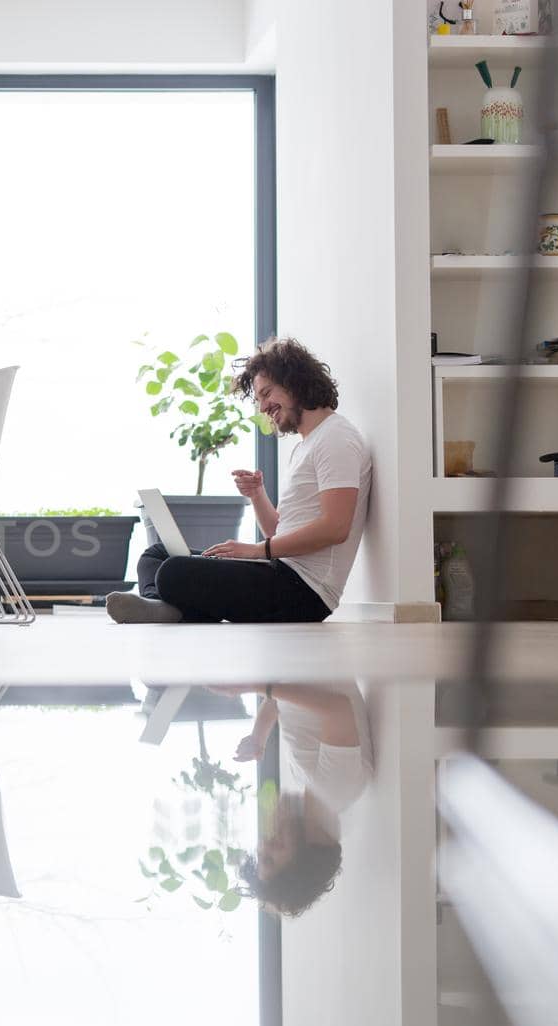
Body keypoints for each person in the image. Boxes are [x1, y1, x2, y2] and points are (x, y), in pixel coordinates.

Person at [107, 336, 372, 624]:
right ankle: (166, 607)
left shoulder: (336, 438)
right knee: (156, 554)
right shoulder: (307, 444)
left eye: (266, 393)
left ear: (294, 381)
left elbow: (336, 528)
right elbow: (279, 532)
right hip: (281, 571)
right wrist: (258, 495)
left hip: (304, 591)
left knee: (173, 571)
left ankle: (172, 608)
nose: (262, 408)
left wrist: (257, 551)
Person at [228, 682, 373, 917]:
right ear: (302, 865)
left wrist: (258, 737)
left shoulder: (309, 784)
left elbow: (280, 703)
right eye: (270, 860)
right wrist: (259, 687)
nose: (263, 845)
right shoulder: (336, 787)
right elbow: (338, 710)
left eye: (260, 856)